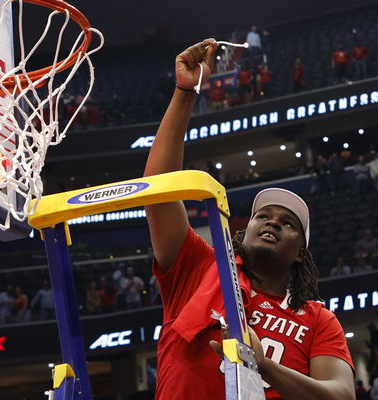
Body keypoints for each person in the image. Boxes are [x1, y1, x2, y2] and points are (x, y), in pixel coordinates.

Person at [144, 39, 354, 400]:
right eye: (263, 216)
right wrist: (186, 91)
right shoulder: (199, 267)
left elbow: (340, 396)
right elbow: (159, 190)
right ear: (247, 228)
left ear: (301, 253)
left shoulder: (318, 320)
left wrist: (264, 365)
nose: (272, 223)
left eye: (288, 223)